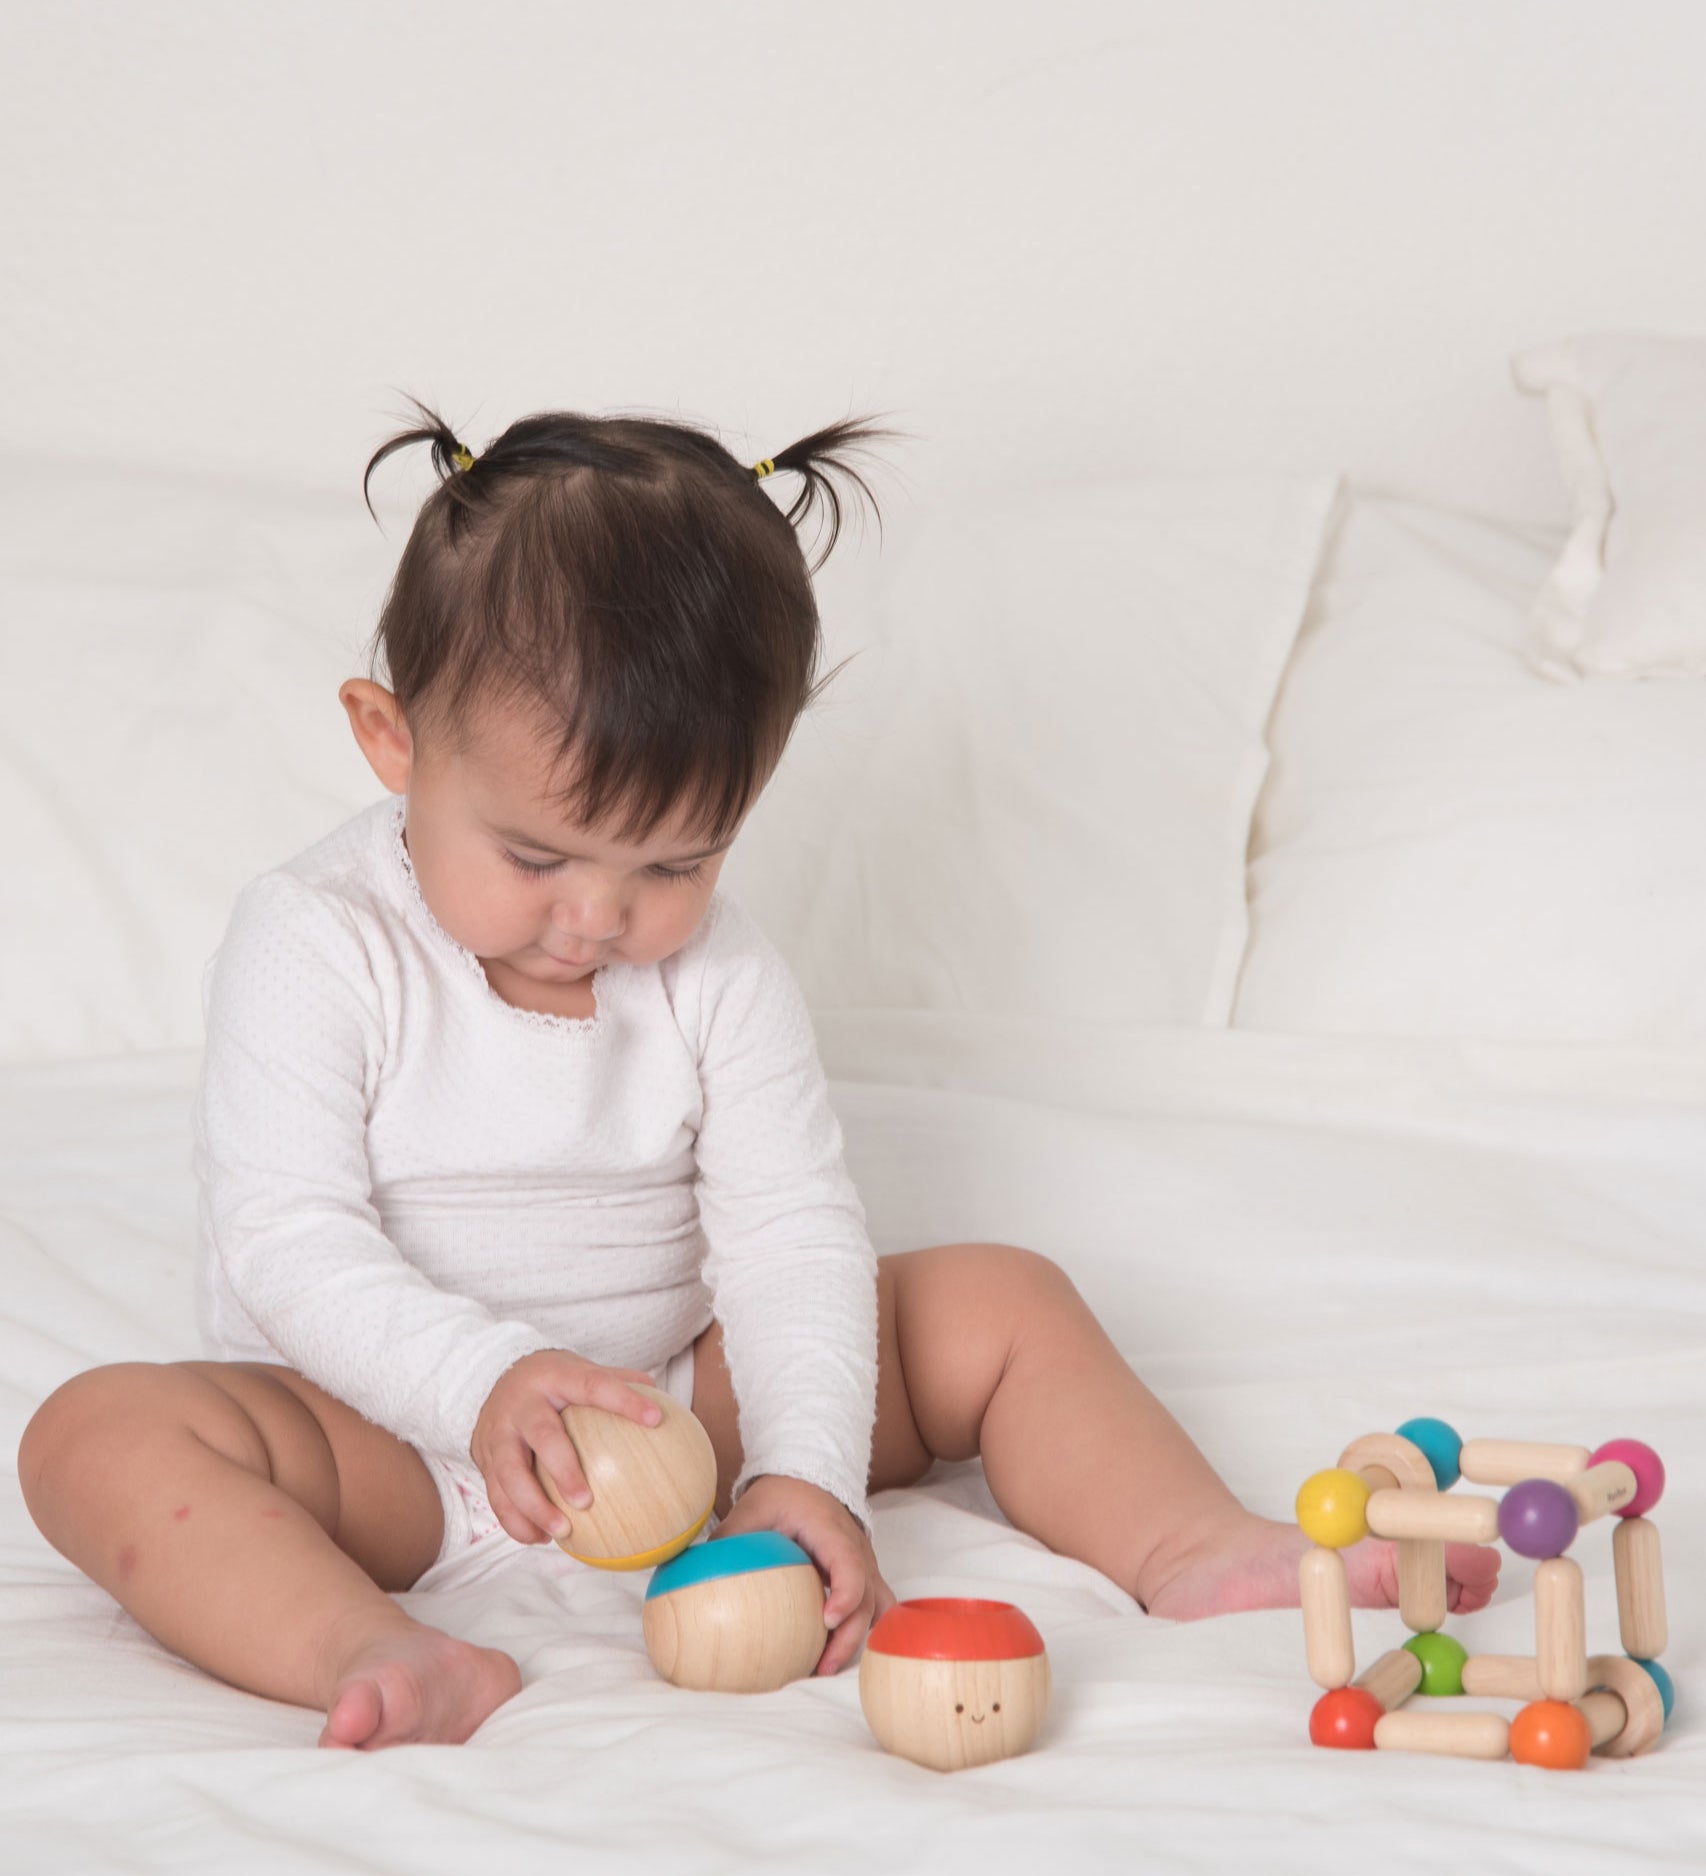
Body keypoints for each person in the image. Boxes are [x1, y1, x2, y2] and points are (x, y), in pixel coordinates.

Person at [17, 401, 1499, 1751]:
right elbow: (287, 1240)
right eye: (535, 855)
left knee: (1000, 1301)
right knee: (100, 1435)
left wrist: (800, 1470)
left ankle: (1192, 1545)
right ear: (390, 741)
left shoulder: (719, 973)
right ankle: (363, 1645)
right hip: (386, 1445)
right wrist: (481, 1383)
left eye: (675, 861)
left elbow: (788, 1233)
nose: (599, 918)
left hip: (675, 1410)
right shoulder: (314, 937)